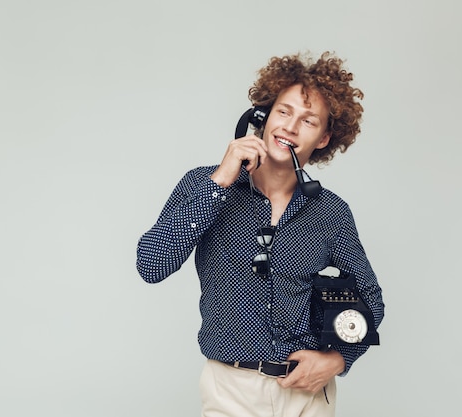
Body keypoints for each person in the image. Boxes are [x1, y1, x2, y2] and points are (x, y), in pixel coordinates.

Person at [136, 51, 384, 417]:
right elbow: (151, 265)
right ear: (263, 117)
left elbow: (371, 299)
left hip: (307, 395)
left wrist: (337, 360)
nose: (290, 127)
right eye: (283, 112)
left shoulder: (330, 212)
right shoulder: (203, 185)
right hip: (230, 390)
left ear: (323, 138)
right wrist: (220, 180)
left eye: (308, 120)